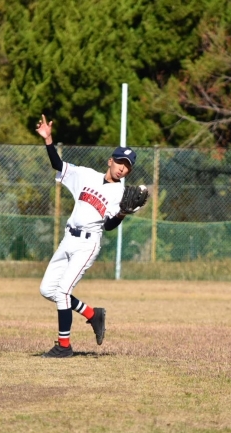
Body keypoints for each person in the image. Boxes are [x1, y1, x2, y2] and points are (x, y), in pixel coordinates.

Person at [35, 114, 139, 358]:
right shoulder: (86, 175)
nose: (122, 168)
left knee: (62, 292)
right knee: (47, 289)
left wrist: (122, 214)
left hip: (88, 244)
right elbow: (58, 165)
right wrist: (48, 140)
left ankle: (64, 346)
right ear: (110, 161)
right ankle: (93, 314)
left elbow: (109, 226)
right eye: (120, 162)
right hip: (68, 239)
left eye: (127, 166)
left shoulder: (120, 195)